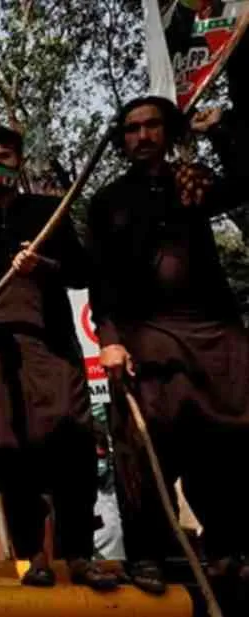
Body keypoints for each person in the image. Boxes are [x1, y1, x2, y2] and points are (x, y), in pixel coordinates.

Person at [87, 96, 249, 593]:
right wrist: (110, 342)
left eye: (152, 126)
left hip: (211, 337)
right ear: (122, 140)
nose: (142, 136)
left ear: (168, 131)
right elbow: (101, 282)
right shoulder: (107, 201)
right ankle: (148, 558)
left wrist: (218, 130)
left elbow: (244, 181)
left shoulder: (190, 182)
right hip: (145, 341)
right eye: (132, 129)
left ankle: (228, 549)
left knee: (221, 446)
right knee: (144, 450)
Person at [0, 126, 117, 590]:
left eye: (5, 156)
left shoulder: (49, 212)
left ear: (19, 162)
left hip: (51, 347)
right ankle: (33, 556)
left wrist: (43, 265)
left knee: (72, 440)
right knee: (8, 448)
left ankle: (78, 553)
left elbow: (82, 272)